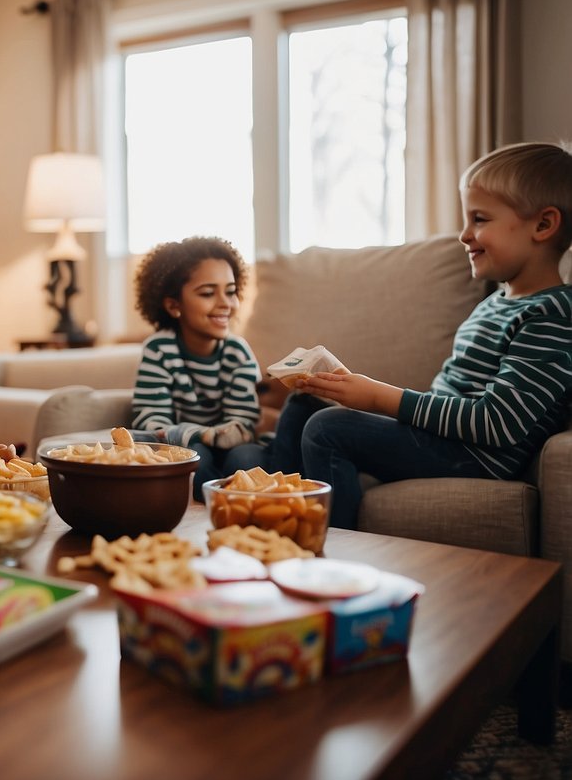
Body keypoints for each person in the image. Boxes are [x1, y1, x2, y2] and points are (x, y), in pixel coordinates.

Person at [234, 142, 572, 529]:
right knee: (304, 403)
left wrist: (380, 397)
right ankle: (266, 515)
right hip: (446, 441)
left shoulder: (552, 314)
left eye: (479, 219)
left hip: (478, 457)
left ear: (543, 225)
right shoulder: (497, 302)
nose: (464, 234)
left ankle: (333, 552)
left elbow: (498, 422)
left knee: (328, 429)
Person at [128, 236, 262, 499]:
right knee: (194, 459)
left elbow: (241, 426)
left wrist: (214, 437)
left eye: (231, 291)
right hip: (185, 448)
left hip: (233, 449)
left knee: (246, 456)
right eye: (208, 293)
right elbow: (152, 422)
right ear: (174, 305)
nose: (225, 302)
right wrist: (206, 436)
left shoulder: (238, 352)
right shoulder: (159, 349)